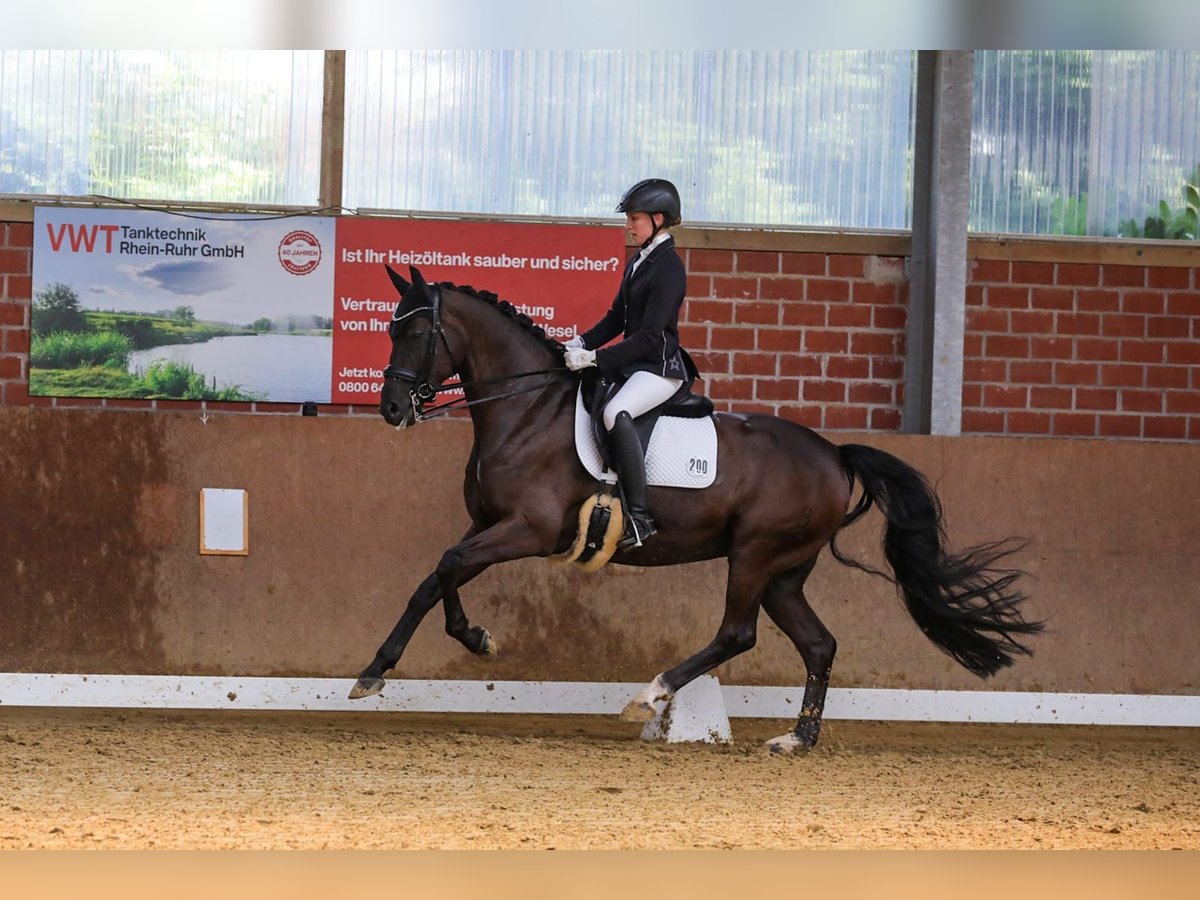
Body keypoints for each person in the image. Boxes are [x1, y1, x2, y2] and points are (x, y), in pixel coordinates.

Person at [563, 177, 697, 549]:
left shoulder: (669, 268)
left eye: (634, 219)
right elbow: (615, 319)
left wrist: (595, 359)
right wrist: (578, 342)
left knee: (615, 411)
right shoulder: (638, 261)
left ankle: (640, 518)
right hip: (636, 365)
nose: (628, 225)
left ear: (658, 219)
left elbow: (651, 337)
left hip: (660, 368)